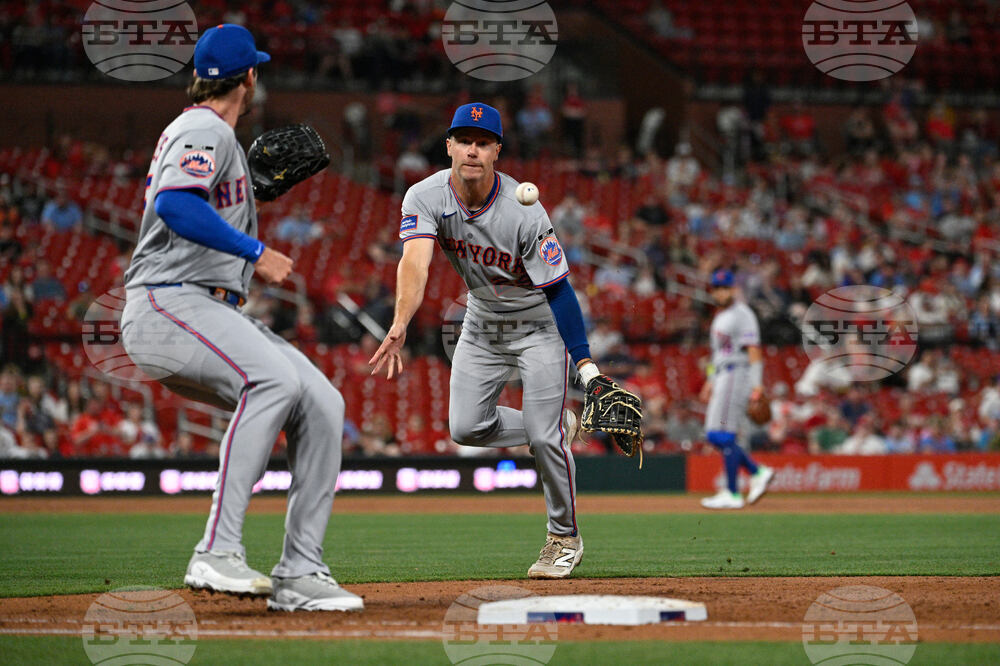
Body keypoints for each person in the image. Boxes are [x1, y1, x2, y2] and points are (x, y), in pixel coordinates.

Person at [118, 25, 361, 612]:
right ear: (250, 76)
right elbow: (174, 204)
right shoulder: (204, 126)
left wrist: (246, 192)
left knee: (322, 403)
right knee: (272, 379)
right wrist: (256, 250)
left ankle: (301, 570)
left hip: (199, 305)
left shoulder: (213, 138)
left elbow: (196, 200)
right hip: (167, 303)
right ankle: (217, 550)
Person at [370, 103, 620, 579]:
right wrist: (401, 320)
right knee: (465, 427)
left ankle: (563, 537)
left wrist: (585, 366)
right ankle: (554, 425)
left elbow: (561, 291)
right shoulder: (424, 196)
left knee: (544, 438)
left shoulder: (525, 212)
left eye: (483, 142)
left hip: (538, 325)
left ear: (497, 152)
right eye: (464, 140)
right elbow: (415, 263)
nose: (472, 149)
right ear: (448, 146)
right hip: (483, 321)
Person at [698, 269, 774, 509]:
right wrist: (710, 381)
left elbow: (754, 350)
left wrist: (757, 385)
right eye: (717, 288)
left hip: (736, 373)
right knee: (714, 434)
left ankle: (732, 492)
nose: (721, 292)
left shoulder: (742, 313)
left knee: (723, 434)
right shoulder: (720, 317)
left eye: (725, 287)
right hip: (722, 374)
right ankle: (756, 471)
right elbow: (716, 354)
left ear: (732, 289)